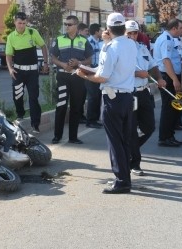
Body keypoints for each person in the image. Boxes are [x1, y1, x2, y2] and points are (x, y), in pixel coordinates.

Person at [76, 13, 137, 194]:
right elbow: (106, 69)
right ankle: (126, 177)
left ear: (108, 29)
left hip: (113, 98)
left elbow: (103, 75)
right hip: (127, 97)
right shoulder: (131, 44)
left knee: (115, 142)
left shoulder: (111, 48)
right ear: (124, 28)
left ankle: (121, 180)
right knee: (124, 140)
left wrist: (84, 75)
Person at [125, 20, 166, 176]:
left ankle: (129, 148)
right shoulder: (119, 50)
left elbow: (153, 65)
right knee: (131, 129)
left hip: (144, 92)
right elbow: (116, 72)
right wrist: (136, 73)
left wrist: (160, 78)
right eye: (129, 32)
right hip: (129, 92)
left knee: (149, 127)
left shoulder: (142, 48)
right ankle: (134, 163)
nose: (132, 35)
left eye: (134, 33)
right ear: (123, 33)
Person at [50, 15, 93, 144]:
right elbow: (53, 58)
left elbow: (89, 60)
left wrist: (78, 63)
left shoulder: (84, 41)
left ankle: (73, 137)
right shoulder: (59, 39)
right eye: (66, 24)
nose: (66, 26)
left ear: (76, 26)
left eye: (69, 24)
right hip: (63, 76)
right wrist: (63, 65)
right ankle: (57, 136)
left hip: (78, 77)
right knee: (61, 105)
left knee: (76, 107)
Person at [5, 12, 48, 133]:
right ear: (14, 22)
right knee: (17, 96)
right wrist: (10, 68)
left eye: (24, 23)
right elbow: (8, 55)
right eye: (19, 23)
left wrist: (45, 63)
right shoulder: (11, 37)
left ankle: (35, 124)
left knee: (33, 98)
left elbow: (43, 46)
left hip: (32, 72)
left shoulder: (32, 32)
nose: (22, 25)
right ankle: (20, 114)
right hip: (18, 72)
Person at [153, 18, 182, 147]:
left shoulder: (168, 38)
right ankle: (165, 137)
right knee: (169, 108)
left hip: (169, 76)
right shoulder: (166, 40)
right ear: (174, 28)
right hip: (168, 77)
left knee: (173, 107)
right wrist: (175, 79)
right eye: (181, 28)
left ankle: (169, 135)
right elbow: (166, 61)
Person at [85, 23, 103, 129]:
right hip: (90, 72)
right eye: (100, 30)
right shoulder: (88, 42)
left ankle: (95, 119)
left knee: (98, 96)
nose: (101, 32)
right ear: (96, 32)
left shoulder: (100, 42)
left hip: (99, 72)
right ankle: (90, 120)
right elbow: (86, 57)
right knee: (92, 96)